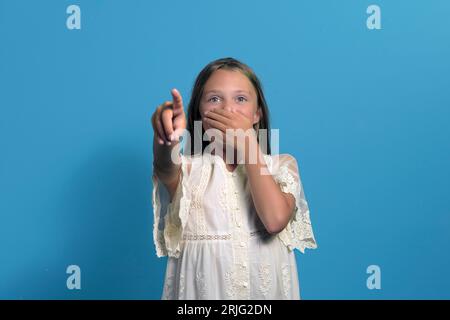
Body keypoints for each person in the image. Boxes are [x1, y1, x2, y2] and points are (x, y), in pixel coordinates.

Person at [151, 57, 317, 299]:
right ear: (200, 113)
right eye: (214, 99)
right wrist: (165, 139)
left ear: (256, 114)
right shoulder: (187, 171)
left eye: (240, 99)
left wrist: (249, 144)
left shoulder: (281, 166)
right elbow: (165, 166)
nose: (227, 109)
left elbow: (274, 220)